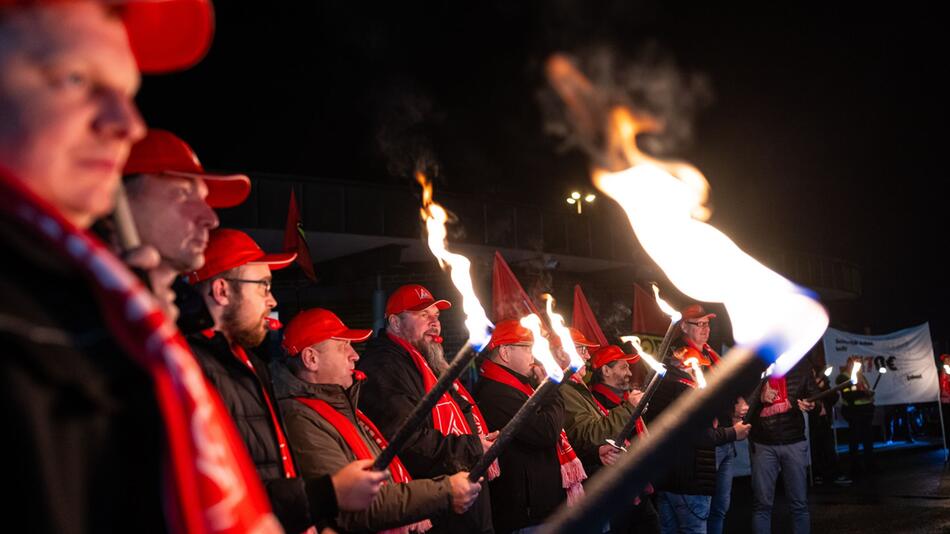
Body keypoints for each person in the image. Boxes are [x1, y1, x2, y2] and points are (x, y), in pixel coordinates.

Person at [0, 1, 285, 532]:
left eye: (127, 93)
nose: (128, 124)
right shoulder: (47, 326)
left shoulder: (113, 317)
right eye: (75, 77)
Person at [186, 228, 388, 532]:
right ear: (222, 290)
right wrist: (326, 495)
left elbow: (271, 469)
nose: (272, 300)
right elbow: (223, 488)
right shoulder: (193, 370)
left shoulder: (249, 366)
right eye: (263, 286)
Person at [274, 307, 482, 532]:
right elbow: (353, 506)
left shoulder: (341, 407)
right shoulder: (301, 419)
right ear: (311, 359)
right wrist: (445, 491)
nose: (354, 355)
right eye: (344, 346)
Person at [357, 283, 497, 533]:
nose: (435, 323)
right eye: (423, 315)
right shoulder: (384, 367)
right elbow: (405, 438)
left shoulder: (428, 362)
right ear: (395, 323)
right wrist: (473, 446)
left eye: (436, 316)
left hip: (461, 507)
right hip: (436, 511)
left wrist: (480, 439)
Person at [659, 304, 748, 534]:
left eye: (707, 323)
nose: (704, 328)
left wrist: (736, 403)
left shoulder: (711, 354)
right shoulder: (682, 359)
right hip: (706, 446)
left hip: (724, 440)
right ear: (683, 327)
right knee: (701, 512)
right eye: (698, 324)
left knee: (719, 508)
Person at [473, 319, 568, 533]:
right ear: (505, 352)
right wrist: (551, 389)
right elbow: (546, 430)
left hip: (534, 508)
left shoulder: (516, 386)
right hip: (523, 515)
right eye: (528, 349)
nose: (533, 356)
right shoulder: (496, 393)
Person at [558, 330, 659, 533]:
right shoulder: (566, 389)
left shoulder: (580, 390)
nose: (587, 356)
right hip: (606, 488)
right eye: (582, 349)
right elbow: (588, 435)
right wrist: (630, 409)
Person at [747, 358, 818, 534]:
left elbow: (815, 397)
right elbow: (743, 409)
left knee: (799, 503)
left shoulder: (801, 365)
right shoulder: (755, 366)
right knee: (762, 505)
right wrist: (759, 396)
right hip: (763, 444)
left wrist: (812, 404)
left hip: (793, 441)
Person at [806, 365, 850, 487]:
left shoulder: (824, 382)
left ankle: (834, 474)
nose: (812, 372)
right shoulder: (805, 385)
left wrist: (824, 387)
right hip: (813, 423)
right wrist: (816, 388)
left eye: (813, 371)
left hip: (824, 421)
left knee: (829, 448)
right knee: (816, 449)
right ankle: (818, 474)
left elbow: (833, 398)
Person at [837, 357, 875, 479]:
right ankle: (855, 467)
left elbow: (867, 389)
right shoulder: (843, 378)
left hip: (866, 411)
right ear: (848, 365)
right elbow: (848, 395)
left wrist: (868, 393)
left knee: (868, 440)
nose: (856, 366)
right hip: (854, 412)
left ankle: (870, 465)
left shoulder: (861, 376)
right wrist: (864, 393)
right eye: (853, 364)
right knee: (855, 439)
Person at [589, 344, 637, 409]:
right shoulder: (595, 403)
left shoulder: (631, 394)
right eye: (623, 367)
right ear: (606, 371)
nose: (630, 373)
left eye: (628, 367)